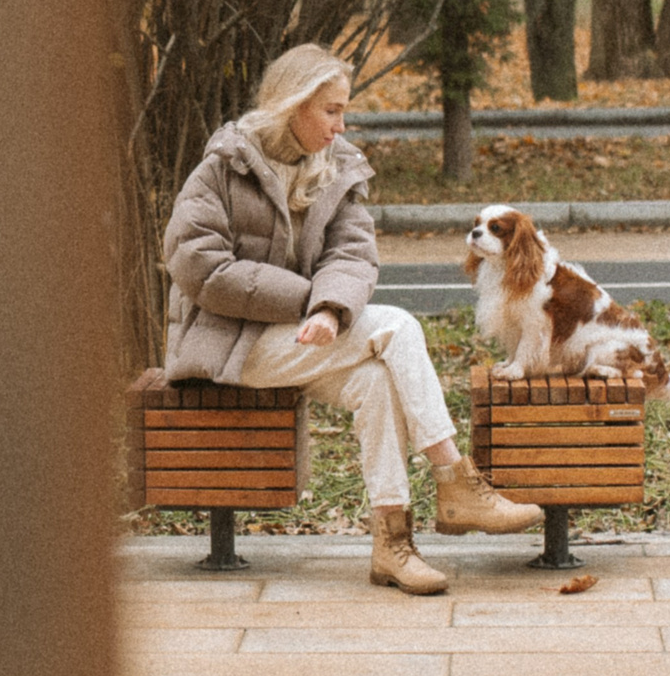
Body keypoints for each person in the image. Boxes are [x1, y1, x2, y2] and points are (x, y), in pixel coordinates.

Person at [162, 42, 542, 593]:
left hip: (308, 335)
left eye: (344, 110)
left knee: (376, 383)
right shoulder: (222, 168)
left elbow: (354, 255)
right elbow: (202, 269)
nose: (342, 125)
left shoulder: (335, 169)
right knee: (399, 326)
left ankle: (392, 544)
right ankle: (456, 480)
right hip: (231, 346)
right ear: (294, 105)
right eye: (332, 110)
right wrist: (310, 303)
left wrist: (330, 310)